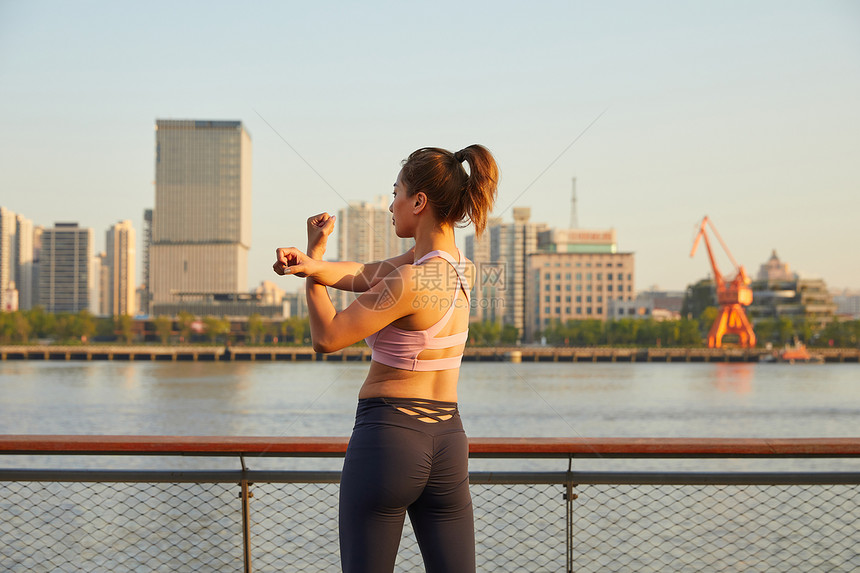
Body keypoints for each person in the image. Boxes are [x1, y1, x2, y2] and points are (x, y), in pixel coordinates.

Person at [273, 145, 499, 573]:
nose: (390, 205)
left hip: (389, 438)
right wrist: (310, 263)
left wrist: (312, 273)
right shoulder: (460, 269)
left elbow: (327, 337)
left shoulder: (411, 278)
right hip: (449, 441)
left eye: (395, 192)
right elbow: (362, 273)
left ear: (418, 201)